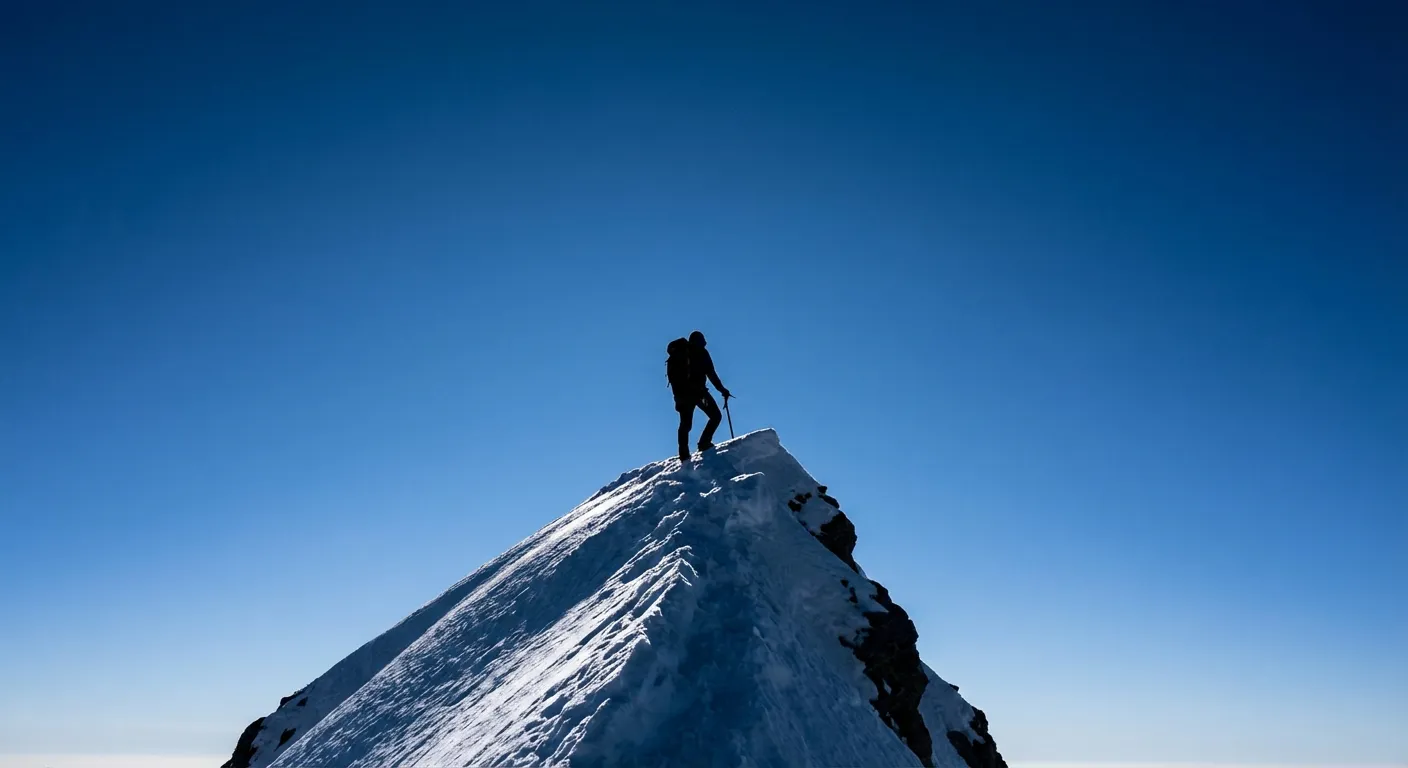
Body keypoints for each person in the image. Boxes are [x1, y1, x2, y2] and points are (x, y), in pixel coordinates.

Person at [666, 330, 731, 463]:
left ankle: (685, 454)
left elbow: (710, 373)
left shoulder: (686, 353)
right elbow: (711, 374)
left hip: (684, 396)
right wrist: (722, 390)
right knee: (715, 416)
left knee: (686, 424)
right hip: (697, 394)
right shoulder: (700, 353)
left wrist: (722, 389)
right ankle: (703, 443)